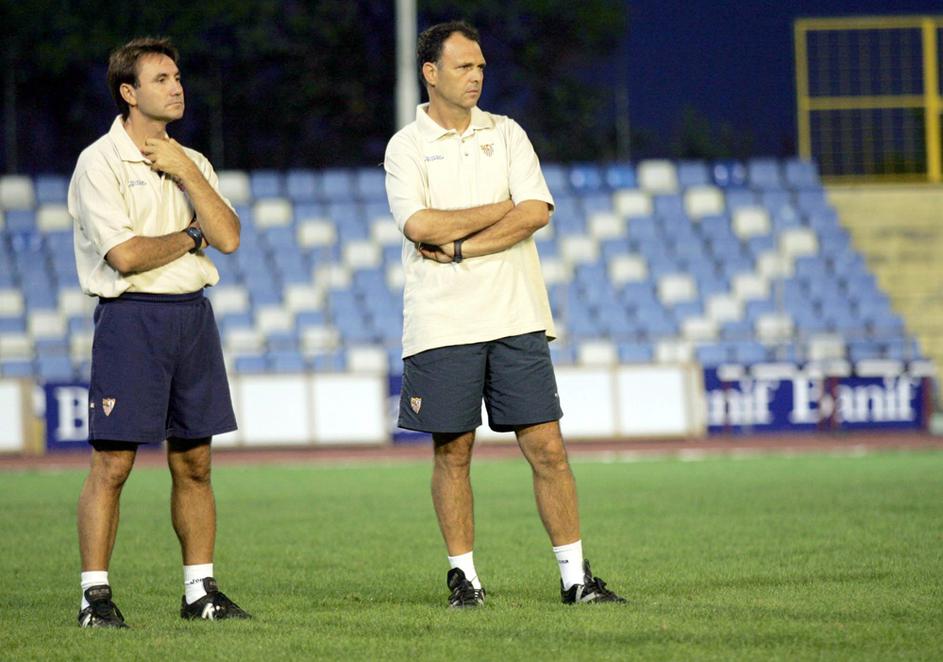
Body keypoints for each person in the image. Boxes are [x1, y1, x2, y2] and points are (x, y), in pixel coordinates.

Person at [384, 21, 625, 608]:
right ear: (430, 73)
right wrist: (499, 210)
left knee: (548, 448)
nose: (477, 76)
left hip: (516, 315)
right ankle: (465, 579)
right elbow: (419, 225)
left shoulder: (508, 133)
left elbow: (535, 211)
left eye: (482, 67)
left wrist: (463, 245)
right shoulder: (406, 146)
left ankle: (576, 580)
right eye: (465, 66)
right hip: (444, 323)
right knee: (454, 452)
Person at [68, 36, 250, 627]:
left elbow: (229, 235)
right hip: (131, 319)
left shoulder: (191, 159)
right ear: (129, 92)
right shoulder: (100, 162)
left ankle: (200, 592)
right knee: (113, 464)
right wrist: (189, 236)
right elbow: (124, 255)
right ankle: (95, 598)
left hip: (192, 316)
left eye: (178, 77)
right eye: (162, 78)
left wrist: (186, 173)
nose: (177, 87)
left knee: (195, 463)